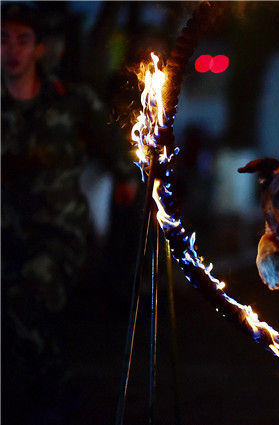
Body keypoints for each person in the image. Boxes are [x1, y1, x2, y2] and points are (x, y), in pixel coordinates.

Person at [1, 3, 136, 422]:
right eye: (4, 40)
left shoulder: (71, 100)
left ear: (39, 49)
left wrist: (126, 178)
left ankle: (60, 394)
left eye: (23, 41)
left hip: (59, 235)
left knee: (25, 300)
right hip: (6, 236)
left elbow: (118, 150)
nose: (12, 51)